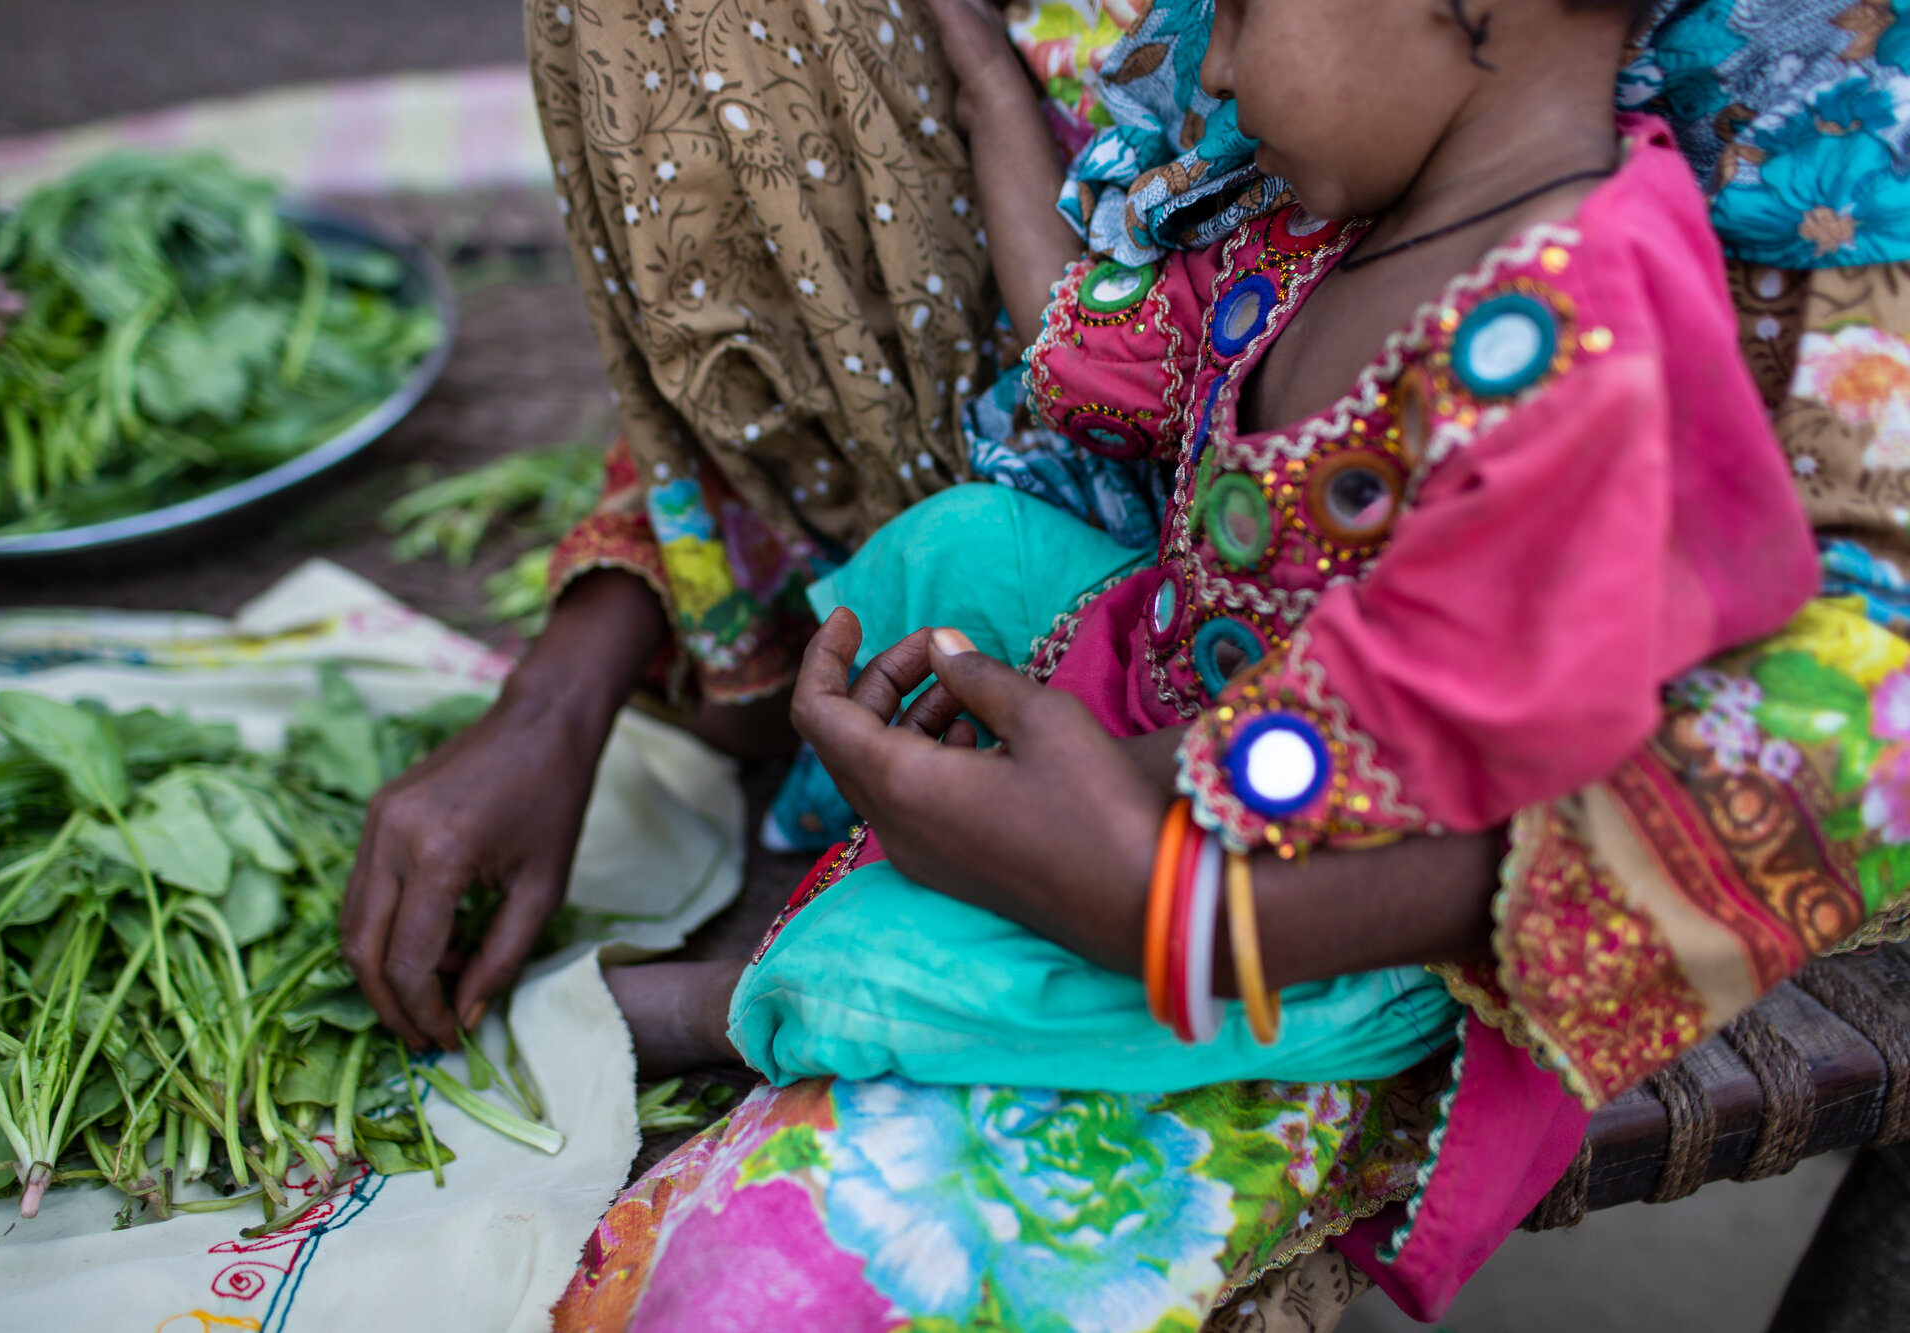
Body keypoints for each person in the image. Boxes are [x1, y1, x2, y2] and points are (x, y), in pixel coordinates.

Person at [346, 0, 1910, 1326]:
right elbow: (1086, 338)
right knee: (958, 548)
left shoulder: (1583, 338)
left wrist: (1129, 848)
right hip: (1183, 683)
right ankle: (897, 846)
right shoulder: (1353, 209)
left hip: (1312, 904)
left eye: (1237, 10)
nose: (1208, 71)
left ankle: (765, 991)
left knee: (952, 957)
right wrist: (981, 82)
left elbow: (1429, 725)